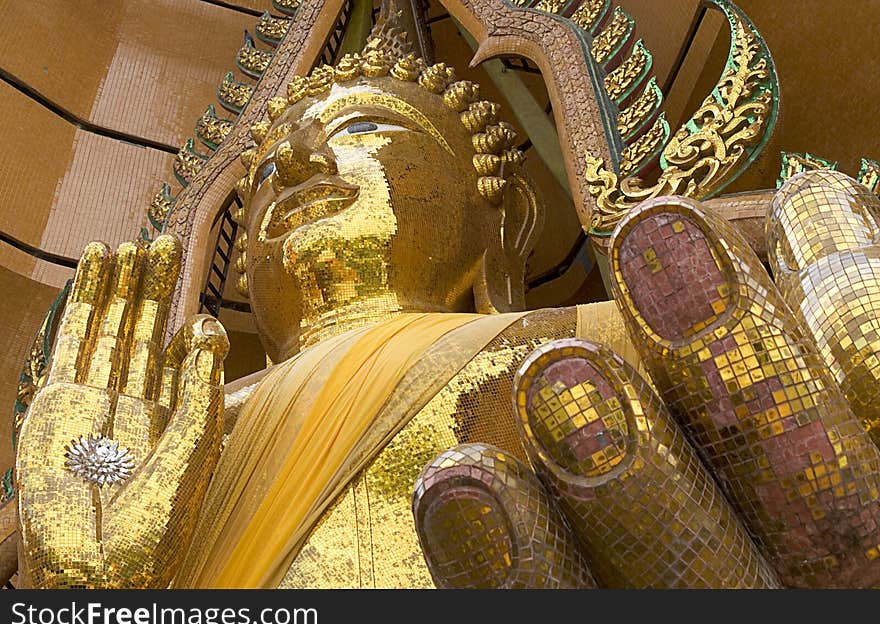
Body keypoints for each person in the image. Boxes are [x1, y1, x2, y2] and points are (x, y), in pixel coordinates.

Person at [11, 44, 880, 588]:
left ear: (500, 227)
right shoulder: (157, 448)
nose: (298, 162)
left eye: (361, 128)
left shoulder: (601, 344)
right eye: (264, 169)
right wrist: (80, 592)